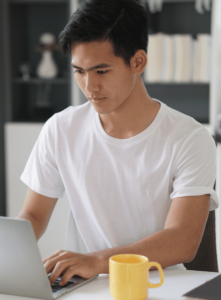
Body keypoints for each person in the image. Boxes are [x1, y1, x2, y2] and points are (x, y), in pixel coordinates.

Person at [17, 0, 218, 287]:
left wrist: (97, 261)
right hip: (85, 287)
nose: (89, 87)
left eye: (101, 71)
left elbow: (182, 241)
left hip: (160, 286)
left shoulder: (189, 138)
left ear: (138, 62)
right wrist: (2, 256)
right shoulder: (61, 129)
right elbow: (34, 214)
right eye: (79, 71)